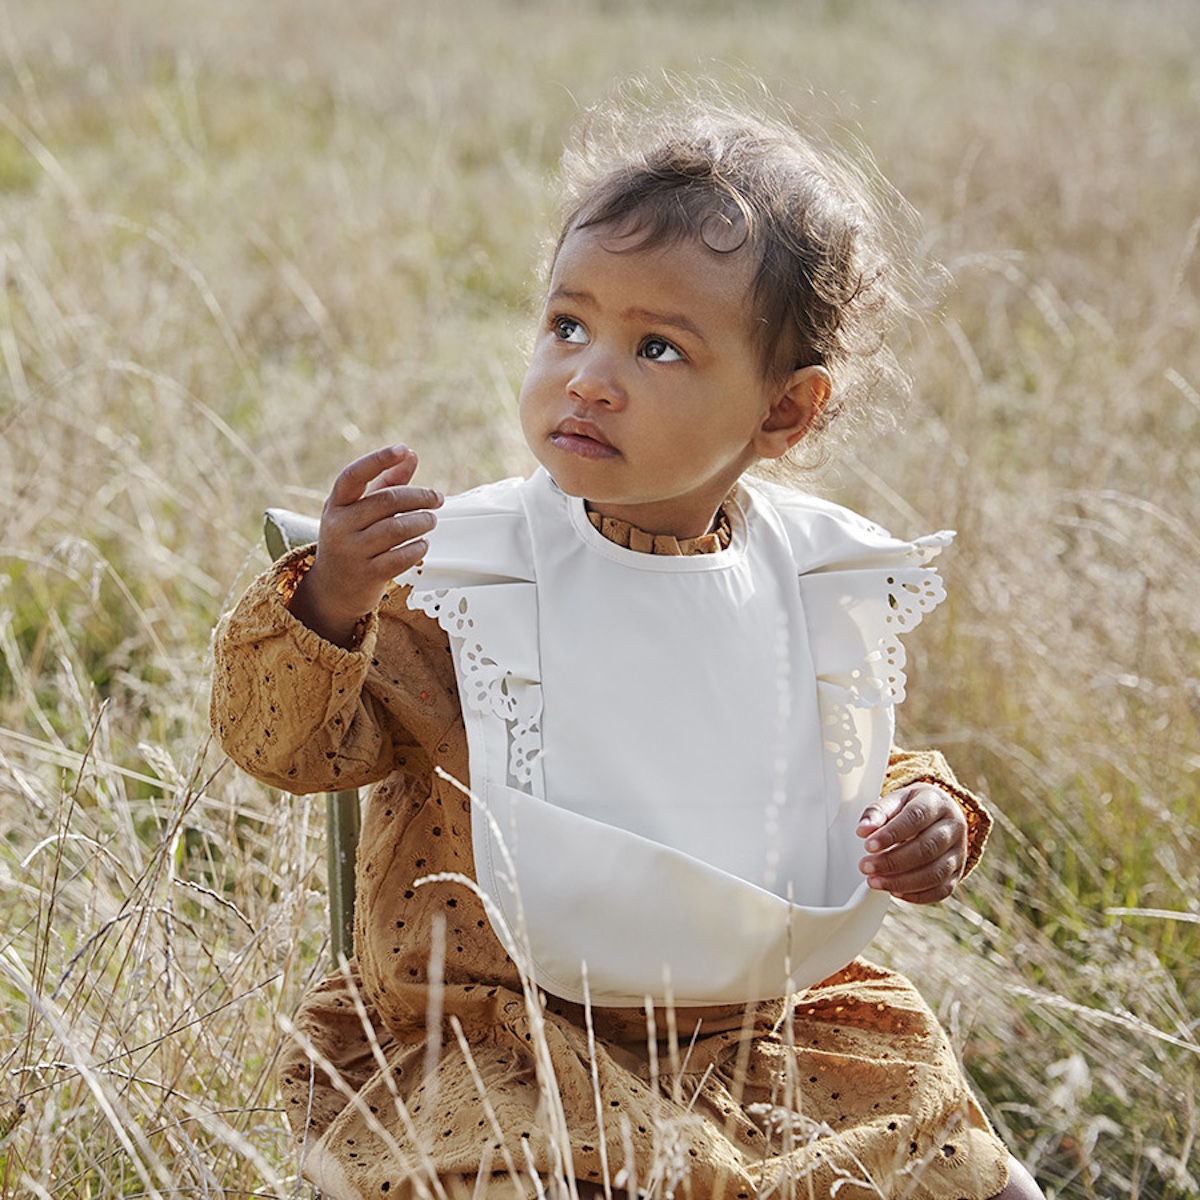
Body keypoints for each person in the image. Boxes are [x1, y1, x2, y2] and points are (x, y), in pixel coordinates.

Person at [211, 91, 1044, 1200]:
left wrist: (924, 812)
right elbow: (289, 750)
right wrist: (331, 604)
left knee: (948, 1154)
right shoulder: (473, 577)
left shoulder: (799, 577)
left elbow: (820, 770)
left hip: (751, 1031)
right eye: (568, 325)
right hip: (497, 1032)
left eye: (657, 347)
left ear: (785, 412)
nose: (589, 375)